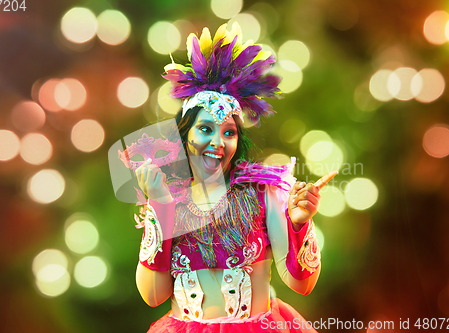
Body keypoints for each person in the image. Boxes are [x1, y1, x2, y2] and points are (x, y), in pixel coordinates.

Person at [133, 23, 326, 332]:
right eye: (206, 129)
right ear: (184, 136)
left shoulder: (264, 194)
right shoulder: (168, 200)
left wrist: (299, 224)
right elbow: (153, 295)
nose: (218, 142)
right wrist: (159, 207)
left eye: (229, 132)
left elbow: (301, 285)